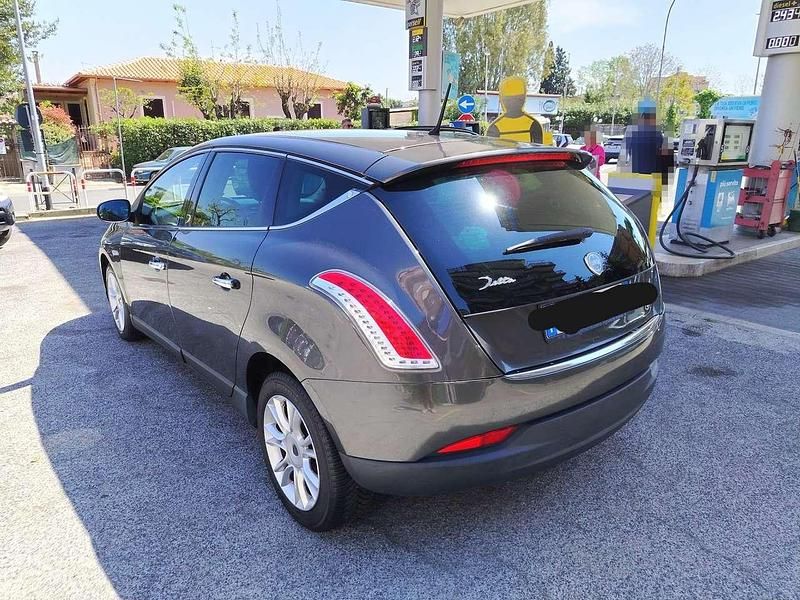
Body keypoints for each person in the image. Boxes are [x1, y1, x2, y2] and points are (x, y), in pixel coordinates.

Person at [487, 76, 547, 144]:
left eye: (517, 99)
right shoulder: (533, 124)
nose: (513, 103)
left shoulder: (494, 127)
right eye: (509, 100)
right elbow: (539, 152)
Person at [624, 100, 670, 178]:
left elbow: (629, 150)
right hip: (653, 171)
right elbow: (661, 150)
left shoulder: (634, 133)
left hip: (637, 170)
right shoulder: (656, 133)